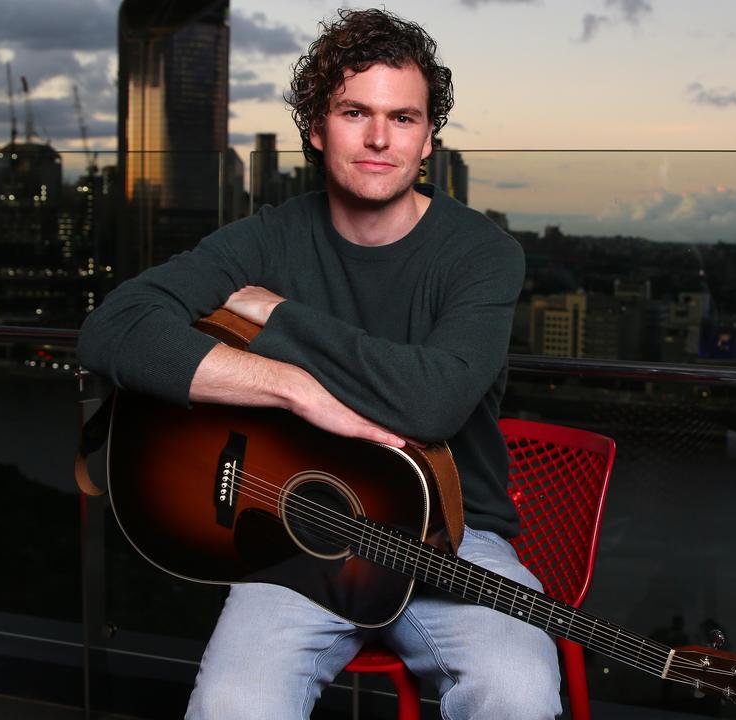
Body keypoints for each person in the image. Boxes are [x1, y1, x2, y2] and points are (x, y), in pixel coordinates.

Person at [77, 8, 561, 719]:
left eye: (403, 118)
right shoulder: (266, 237)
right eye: (354, 112)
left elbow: (433, 404)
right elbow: (114, 330)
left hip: (449, 539)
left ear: (428, 139)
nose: (377, 138)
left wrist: (277, 317)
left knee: (517, 689)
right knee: (232, 703)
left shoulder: (483, 253)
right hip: (294, 538)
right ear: (315, 126)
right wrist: (294, 389)